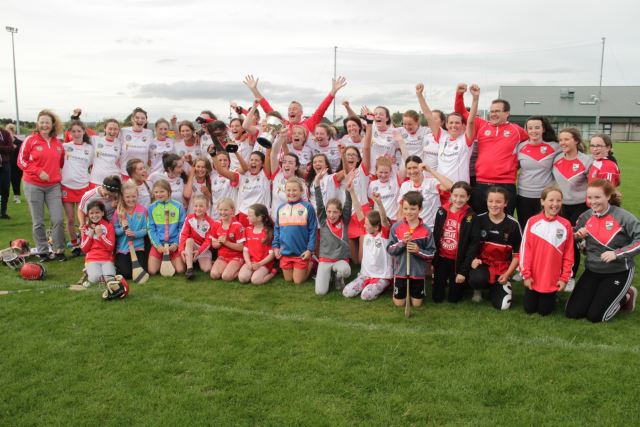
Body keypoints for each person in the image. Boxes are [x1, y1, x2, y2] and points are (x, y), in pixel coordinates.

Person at [566, 179, 639, 322]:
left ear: (608, 196)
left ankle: (626, 296)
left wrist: (616, 254)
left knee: (596, 316)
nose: (593, 202)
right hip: (592, 270)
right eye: (590, 197)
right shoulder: (586, 216)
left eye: (597, 197)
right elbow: (571, 237)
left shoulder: (623, 217)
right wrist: (578, 236)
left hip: (618, 271)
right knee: (573, 313)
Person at [454, 83, 529, 215]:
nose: (493, 114)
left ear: (507, 113)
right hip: (481, 184)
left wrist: (516, 164)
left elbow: (532, 144)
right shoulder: (482, 126)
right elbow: (461, 113)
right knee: (479, 221)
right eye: (492, 111)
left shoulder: (517, 131)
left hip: (505, 184)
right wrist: (459, 94)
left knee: (505, 222)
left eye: (497, 111)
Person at [17, 109, 67, 261]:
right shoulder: (30, 140)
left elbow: (61, 163)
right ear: (37, 124)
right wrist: (38, 171)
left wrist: (55, 175)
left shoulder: (58, 143)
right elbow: (21, 161)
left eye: (47, 122)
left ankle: (59, 250)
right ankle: (43, 251)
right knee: (38, 221)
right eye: (42, 122)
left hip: (53, 186)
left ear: (53, 125)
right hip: (33, 185)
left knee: (58, 219)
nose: (44, 125)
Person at [520, 186, 574, 316]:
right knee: (529, 309)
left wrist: (564, 278)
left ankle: (552, 296)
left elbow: (569, 254)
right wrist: (526, 275)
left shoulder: (566, 225)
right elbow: (525, 250)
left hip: (551, 280)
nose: (555, 204)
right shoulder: (532, 222)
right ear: (542, 201)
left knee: (544, 311)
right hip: (533, 278)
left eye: (558, 200)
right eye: (551, 200)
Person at [468, 187, 522, 310]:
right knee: (477, 279)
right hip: (482, 264)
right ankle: (478, 289)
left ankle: (496, 287)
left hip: (502, 268)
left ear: (505, 203)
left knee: (502, 306)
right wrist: (473, 259)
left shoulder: (513, 224)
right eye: (490, 201)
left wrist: (507, 274)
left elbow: (518, 254)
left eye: (498, 201)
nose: (494, 205)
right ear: (486, 202)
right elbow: (470, 244)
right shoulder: (478, 219)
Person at [552, 127, 593, 288]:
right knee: (560, 239)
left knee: (572, 241)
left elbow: (594, 184)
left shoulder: (587, 161)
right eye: (561, 140)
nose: (563, 143)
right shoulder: (556, 159)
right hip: (561, 207)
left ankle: (571, 276)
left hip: (580, 207)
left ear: (576, 140)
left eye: (566, 139)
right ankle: (559, 271)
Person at [243, 74, 347, 134]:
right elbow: (268, 109)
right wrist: (254, 90)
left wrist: (332, 92)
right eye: (289, 109)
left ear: (301, 112)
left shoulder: (309, 123)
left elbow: (321, 109)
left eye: (294, 109)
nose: (291, 111)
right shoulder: (284, 124)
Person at [343, 179, 393, 301]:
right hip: (366, 274)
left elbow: (384, 220)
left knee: (365, 296)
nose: (364, 225)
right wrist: (351, 191)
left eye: (367, 224)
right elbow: (358, 210)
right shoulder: (366, 232)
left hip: (382, 276)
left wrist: (379, 204)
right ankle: (366, 283)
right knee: (347, 292)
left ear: (376, 227)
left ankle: (385, 284)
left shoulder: (384, 235)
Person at [432, 181, 479, 303]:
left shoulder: (471, 216)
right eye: (455, 195)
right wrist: (433, 261)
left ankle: (462, 281)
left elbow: (473, 244)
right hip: (441, 258)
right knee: (437, 298)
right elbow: (436, 236)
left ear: (468, 197)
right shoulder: (441, 211)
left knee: (454, 299)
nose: (458, 199)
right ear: (451, 195)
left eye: (462, 196)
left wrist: (463, 271)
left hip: (458, 260)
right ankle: (441, 280)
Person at [387, 191, 436, 308]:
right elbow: (389, 249)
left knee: (417, 305)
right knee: (399, 304)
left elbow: (432, 253)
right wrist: (402, 243)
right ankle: (403, 294)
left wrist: (418, 251)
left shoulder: (426, 230)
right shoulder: (396, 227)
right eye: (406, 208)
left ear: (420, 209)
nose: (409, 212)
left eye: (413, 209)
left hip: (417, 273)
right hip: (400, 272)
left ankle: (413, 294)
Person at [516, 116, 559, 230]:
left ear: (543, 129)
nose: (533, 131)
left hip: (545, 196)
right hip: (524, 195)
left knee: (545, 228)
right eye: (530, 128)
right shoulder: (520, 147)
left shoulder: (555, 147)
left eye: (537, 127)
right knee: (525, 227)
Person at [273, 177, 318, 284]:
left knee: (298, 281)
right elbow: (277, 230)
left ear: (301, 191)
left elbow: (313, 230)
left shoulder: (308, 207)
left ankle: (311, 263)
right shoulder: (281, 208)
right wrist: (276, 247)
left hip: (301, 253)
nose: (291, 193)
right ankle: (297, 267)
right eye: (288, 190)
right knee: (288, 280)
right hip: (285, 252)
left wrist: (309, 250)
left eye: (294, 190)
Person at [314, 169, 352, 295]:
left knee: (345, 271)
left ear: (340, 212)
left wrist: (348, 187)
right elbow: (319, 203)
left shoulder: (344, 220)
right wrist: (317, 183)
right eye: (329, 212)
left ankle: (338, 277)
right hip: (325, 260)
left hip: (340, 260)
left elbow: (348, 204)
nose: (331, 215)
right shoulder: (323, 220)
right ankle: (328, 276)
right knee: (320, 292)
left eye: (335, 212)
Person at [61, 120, 94, 255]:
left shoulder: (90, 148)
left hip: (83, 186)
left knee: (84, 218)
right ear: (69, 133)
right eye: (73, 131)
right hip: (67, 186)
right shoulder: (64, 146)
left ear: (83, 132)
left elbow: (92, 165)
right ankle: (75, 245)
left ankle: (85, 243)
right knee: (70, 218)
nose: (76, 134)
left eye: (79, 131)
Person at [397, 157, 452, 228]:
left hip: (431, 229)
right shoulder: (405, 185)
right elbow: (401, 212)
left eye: (415, 167)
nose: (412, 171)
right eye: (409, 168)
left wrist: (430, 170)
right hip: (412, 230)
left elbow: (450, 187)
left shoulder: (431, 182)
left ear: (421, 168)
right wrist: (400, 228)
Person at [147, 179, 186, 275]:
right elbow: (151, 229)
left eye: (162, 191)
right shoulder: (151, 208)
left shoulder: (178, 206)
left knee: (180, 270)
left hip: (173, 245)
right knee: (152, 271)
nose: (159, 194)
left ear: (169, 192)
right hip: (160, 245)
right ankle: (163, 259)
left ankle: (170, 259)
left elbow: (182, 228)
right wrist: (158, 245)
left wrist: (176, 243)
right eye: (156, 192)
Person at [112, 180, 149, 280]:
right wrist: (123, 229)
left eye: (133, 196)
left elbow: (146, 229)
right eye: (127, 197)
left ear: (137, 195)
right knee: (126, 274)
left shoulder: (143, 210)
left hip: (138, 247)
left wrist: (135, 234)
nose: (131, 199)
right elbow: (114, 231)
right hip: (123, 249)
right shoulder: (118, 212)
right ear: (123, 197)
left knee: (142, 270)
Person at [79, 200, 116, 287]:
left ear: (102, 213)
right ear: (88, 214)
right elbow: (84, 249)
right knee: (95, 279)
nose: (94, 215)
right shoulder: (86, 227)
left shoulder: (109, 225)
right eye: (91, 213)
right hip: (92, 258)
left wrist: (101, 235)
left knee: (110, 278)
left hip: (106, 258)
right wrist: (90, 235)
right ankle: (89, 269)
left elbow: (111, 247)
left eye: (97, 212)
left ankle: (102, 271)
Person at [238, 204, 276, 285]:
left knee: (255, 280)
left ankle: (272, 273)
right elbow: (245, 250)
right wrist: (248, 262)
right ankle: (252, 272)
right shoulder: (247, 230)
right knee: (242, 278)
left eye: (250, 215)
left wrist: (259, 264)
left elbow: (272, 255)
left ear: (259, 218)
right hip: (251, 262)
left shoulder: (268, 232)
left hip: (264, 263)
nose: (247, 217)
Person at [180, 194, 216, 279]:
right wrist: (181, 250)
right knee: (189, 240)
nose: (198, 208)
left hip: (203, 249)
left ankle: (207, 261)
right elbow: (183, 235)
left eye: (201, 206)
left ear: (207, 208)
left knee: (207, 269)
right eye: (196, 206)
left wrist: (199, 251)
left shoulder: (211, 222)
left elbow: (208, 242)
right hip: (191, 246)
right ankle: (189, 269)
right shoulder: (189, 218)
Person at [209, 198, 245, 281]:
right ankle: (227, 268)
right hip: (222, 256)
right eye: (220, 210)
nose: (222, 212)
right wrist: (219, 242)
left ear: (232, 210)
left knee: (226, 277)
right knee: (214, 275)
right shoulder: (216, 224)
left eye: (226, 210)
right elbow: (214, 245)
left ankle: (241, 268)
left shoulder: (238, 226)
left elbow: (241, 247)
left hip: (236, 256)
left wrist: (226, 242)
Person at [119, 107, 153, 178]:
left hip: (142, 175)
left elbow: (151, 154)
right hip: (125, 174)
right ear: (132, 119)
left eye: (143, 118)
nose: (140, 120)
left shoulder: (149, 133)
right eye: (137, 118)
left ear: (146, 120)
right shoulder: (123, 131)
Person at [90, 119, 121, 187]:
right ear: (105, 129)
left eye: (115, 129)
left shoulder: (120, 143)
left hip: (113, 182)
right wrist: (75, 118)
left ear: (118, 130)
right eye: (110, 129)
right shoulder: (95, 140)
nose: (112, 131)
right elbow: (80, 134)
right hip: (96, 180)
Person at [210, 150, 240, 220]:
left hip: (229, 216)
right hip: (215, 215)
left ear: (229, 162)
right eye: (220, 160)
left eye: (225, 160)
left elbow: (222, 172)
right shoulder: (213, 177)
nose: (222, 162)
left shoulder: (233, 174)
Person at [5, 124, 23, 204]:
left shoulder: (20, 142)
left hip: (17, 167)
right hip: (5, 166)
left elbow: (23, 153)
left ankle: (16, 197)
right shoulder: (4, 142)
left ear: (13, 132)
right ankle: (4, 197)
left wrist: (17, 147)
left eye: (9, 133)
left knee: (16, 182)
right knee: (4, 183)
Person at [0, 126, 14, 219]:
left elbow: (11, 148)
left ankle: (3, 212)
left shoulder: (5, 133)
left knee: (5, 189)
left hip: (5, 165)